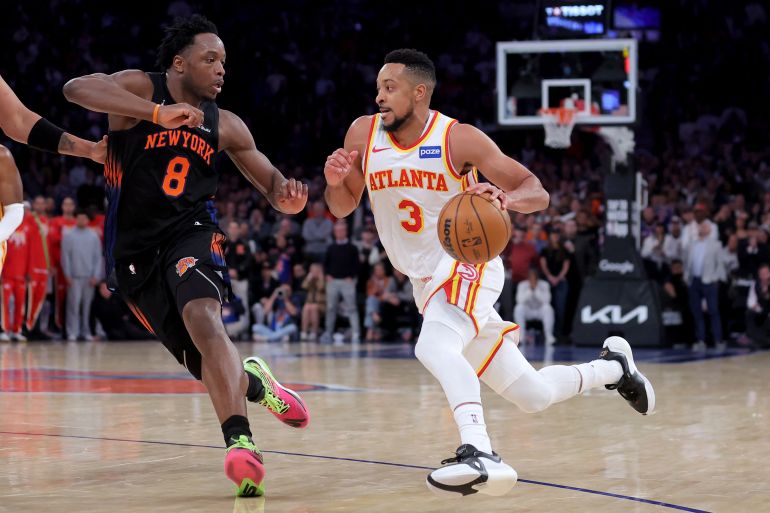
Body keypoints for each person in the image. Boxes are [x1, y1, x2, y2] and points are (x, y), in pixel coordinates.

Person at [323, 48, 654, 497]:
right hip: (424, 283)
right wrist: (336, 182)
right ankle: (612, 369)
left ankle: (479, 451)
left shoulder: (458, 139)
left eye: (389, 87)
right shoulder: (363, 133)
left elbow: (537, 191)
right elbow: (342, 207)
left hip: (466, 263)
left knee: (433, 346)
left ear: (419, 92)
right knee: (532, 394)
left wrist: (505, 199)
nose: (379, 96)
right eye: (378, 87)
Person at [63, 15, 309, 496]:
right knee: (205, 365)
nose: (220, 69)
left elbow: (273, 185)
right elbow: (76, 88)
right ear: (179, 63)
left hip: (191, 233)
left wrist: (289, 199)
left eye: (224, 62)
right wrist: (156, 114)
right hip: (133, 254)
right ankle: (256, 384)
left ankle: (240, 443)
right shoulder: (142, 88)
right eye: (209, 59)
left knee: (202, 315)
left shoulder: (225, 123)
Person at [683, 221, 725, 351]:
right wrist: (686, 277)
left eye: (705, 226)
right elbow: (686, 261)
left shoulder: (716, 245)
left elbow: (720, 264)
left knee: (713, 310)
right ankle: (701, 340)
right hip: (694, 280)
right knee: (697, 311)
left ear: (710, 230)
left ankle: (718, 340)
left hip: (709, 281)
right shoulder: (691, 244)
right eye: (701, 226)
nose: (702, 228)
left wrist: (715, 278)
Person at [61, 209, 103, 341]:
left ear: (88, 220)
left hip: (89, 277)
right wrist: (67, 274)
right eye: (79, 218)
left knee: (87, 306)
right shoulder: (69, 235)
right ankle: (72, 332)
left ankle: (86, 331)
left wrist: (96, 275)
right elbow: (65, 256)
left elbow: (98, 257)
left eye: (84, 218)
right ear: (76, 219)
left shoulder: (93, 236)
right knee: (73, 306)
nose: (81, 220)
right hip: (74, 276)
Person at [321, 220, 361, 344]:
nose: (339, 232)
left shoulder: (352, 248)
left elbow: (356, 265)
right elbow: (325, 264)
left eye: (342, 230)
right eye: (337, 230)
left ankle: (356, 333)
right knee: (331, 308)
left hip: (347, 281)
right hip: (333, 281)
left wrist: (352, 276)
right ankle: (328, 332)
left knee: (352, 307)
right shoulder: (331, 248)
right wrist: (327, 275)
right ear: (334, 232)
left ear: (346, 231)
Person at [49, 197, 78, 332]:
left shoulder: (78, 222)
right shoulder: (56, 222)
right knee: (59, 297)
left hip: (76, 267)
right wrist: (51, 264)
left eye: (70, 204)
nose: (68, 207)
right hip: (59, 267)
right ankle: (58, 326)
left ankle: (71, 327)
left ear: (74, 207)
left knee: (74, 298)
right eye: (65, 204)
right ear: (62, 207)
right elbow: (52, 242)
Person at [514, 268, 555, 345]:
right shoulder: (522, 285)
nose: (532, 279)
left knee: (548, 308)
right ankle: (521, 336)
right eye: (531, 277)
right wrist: (530, 290)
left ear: (537, 277)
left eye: (534, 277)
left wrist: (536, 289)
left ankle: (549, 336)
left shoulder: (544, 285)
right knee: (519, 308)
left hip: (540, 310)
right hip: (528, 311)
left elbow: (547, 300)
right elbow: (520, 300)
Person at [746, 263, 770, 348]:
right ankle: (759, 341)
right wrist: (758, 309)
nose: (764, 275)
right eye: (762, 274)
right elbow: (751, 301)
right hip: (761, 311)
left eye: (766, 273)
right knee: (749, 313)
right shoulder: (755, 284)